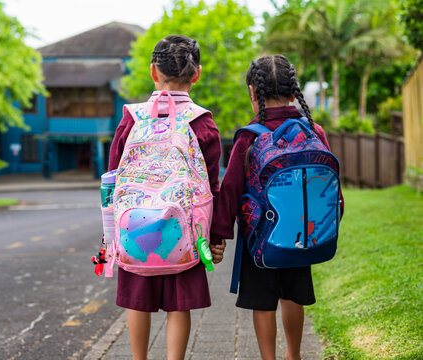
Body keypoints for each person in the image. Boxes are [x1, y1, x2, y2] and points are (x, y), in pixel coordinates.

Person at [209, 54, 344, 360]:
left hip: (260, 240)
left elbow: (230, 190)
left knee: (262, 303)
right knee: (294, 296)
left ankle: (269, 358)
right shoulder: (313, 131)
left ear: (253, 93)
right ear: (294, 90)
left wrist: (218, 237)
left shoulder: (250, 137)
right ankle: (293, 354)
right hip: (303, 234)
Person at [107, 35, 222, 360]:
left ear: (153, 71)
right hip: (184, 231)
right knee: (179, 306)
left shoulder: (132, 117)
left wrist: (110, 233)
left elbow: (113, 176)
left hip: (133, 227)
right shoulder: (201, 122)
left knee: (136, 302)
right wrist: (213, 237)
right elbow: (211, 186)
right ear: (196, 73)